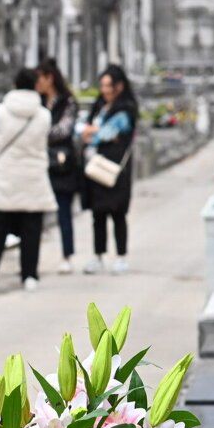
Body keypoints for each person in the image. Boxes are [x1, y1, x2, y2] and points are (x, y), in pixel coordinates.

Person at [0, 67, 53, 291]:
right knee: (31, 228)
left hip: (6, 173)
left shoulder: (2, 110)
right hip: (33, 174)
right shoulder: (43, 114)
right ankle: (30, 275)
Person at [77, 63, 139, 274]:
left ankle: (121, 256)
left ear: (119, 86)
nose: (105, 90)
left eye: (108, 85)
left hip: (115, 166)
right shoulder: (100, 106)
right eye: (102, 85)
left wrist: (92, 132)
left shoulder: (126, 108)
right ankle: (98, 255)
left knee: (117, 212)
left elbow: (108, 132)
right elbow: (87, 131)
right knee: (98, 213)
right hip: (95, 164)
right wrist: (92, 132)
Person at [36, 57, 80, 272]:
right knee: (34, 213)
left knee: (64, 211)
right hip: (39, 162)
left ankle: (66, 255)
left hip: (62, 164)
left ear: (49, 78)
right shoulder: (37, 101)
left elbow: (64, 130)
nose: (38, 84)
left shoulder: (68, 102)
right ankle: (33, 259)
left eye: (40, 79)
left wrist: (39, 132)